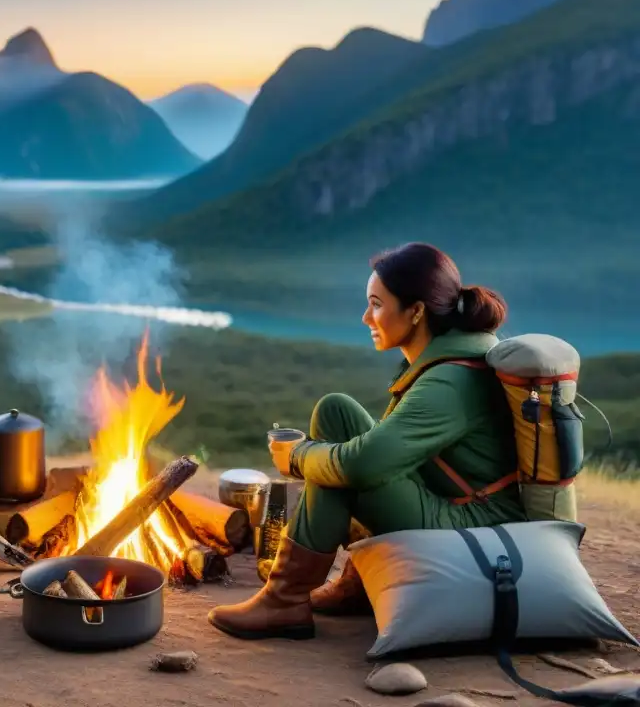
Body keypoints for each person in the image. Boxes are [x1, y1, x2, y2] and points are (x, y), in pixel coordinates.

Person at [208, 242, 526, 641]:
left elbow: (364, 465)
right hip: (454, 500)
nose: (365, 317)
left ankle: (285, 599)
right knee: (336, 412)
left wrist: (299, 456)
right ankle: (358, 585)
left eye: (376, 304)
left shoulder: (450, 380)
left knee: (342, 457)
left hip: (472, 524)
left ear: (416, 312)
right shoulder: (452, 358)